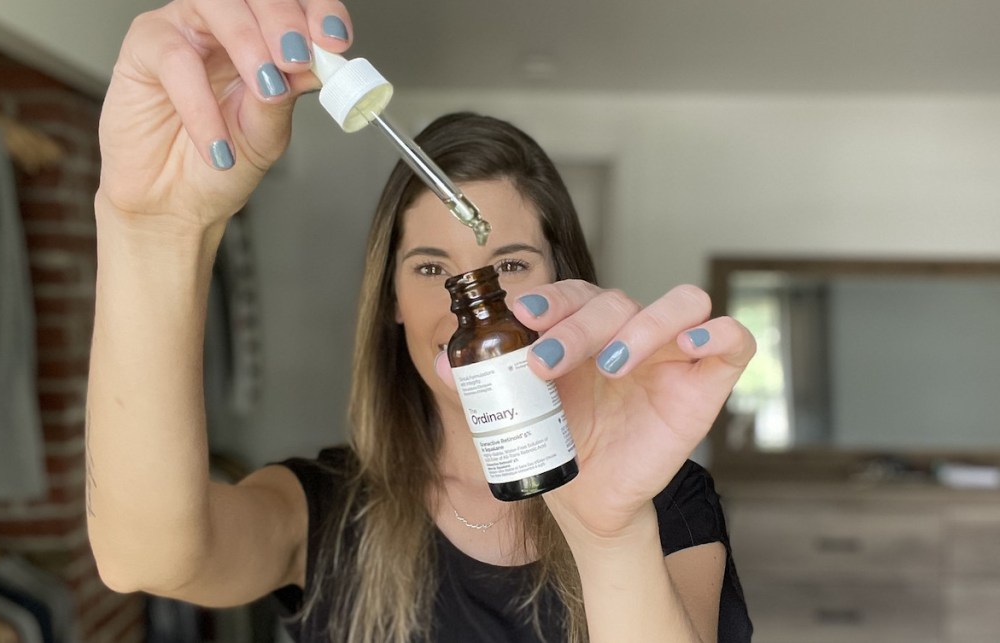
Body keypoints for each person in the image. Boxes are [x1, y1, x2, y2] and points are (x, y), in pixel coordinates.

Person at [86, 1, 757, 641]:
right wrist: (153, 230)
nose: (470, 299)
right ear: (390, 306)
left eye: (512, 266)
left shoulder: (665, 499)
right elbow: (146, 556)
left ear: (566, 282)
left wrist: (612, 534)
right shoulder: (325, 509)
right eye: (432, 269)